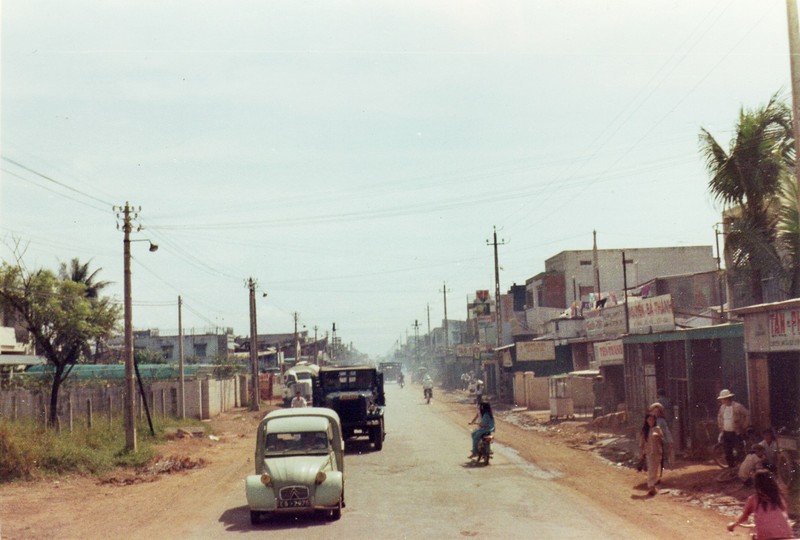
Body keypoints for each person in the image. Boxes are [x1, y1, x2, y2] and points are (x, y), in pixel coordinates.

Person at [727, 470, 794, 539]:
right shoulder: (779, 498)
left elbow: (744, 517)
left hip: (766, 536)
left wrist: (733, 525)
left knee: (754, 536)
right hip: (786, 535)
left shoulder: (753, 499)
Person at [716, 388, 750, 468]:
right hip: (726, 432)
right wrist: (720, 427)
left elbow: (747, 414)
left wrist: (744, 426)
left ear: (727, 399)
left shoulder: (737, 406)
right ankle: (731, 468)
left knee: (739, 451)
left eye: (722, 399)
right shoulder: (722, 407)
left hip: (736, 432)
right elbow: (719, 417)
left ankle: (740, 468)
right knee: (727, 452)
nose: (721, 401)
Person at [638, 412, 664, 496]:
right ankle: (651, 486)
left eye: (653, 420)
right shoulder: (644, 431)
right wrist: (641, 454)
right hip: (649, 453)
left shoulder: (657, 429)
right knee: (651, 469)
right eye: (649, 420)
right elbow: (641, 444)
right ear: (646, 421)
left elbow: (662, 440)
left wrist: (658, 436)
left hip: (658, 452)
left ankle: (653, 486)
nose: (651, 421)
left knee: (656, 469)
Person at [648, 402, 674, 472]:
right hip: (651, 442)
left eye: (657, 412)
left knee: (660, 458)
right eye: (654, 411)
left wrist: (670, 441)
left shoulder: (662, 421)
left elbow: (666, 431)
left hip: (660, 442)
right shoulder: (649, 420)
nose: (656, 413)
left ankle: (659, 473)